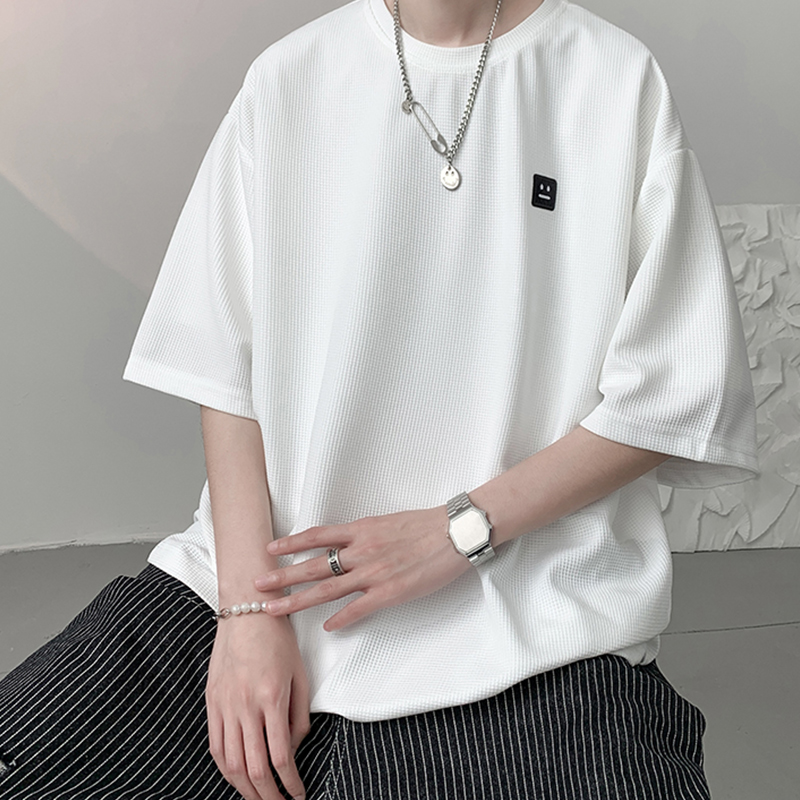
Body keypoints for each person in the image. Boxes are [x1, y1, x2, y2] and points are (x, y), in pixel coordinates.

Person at [0, 0, 760, 797]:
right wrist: (247, 614)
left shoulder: (613, 78)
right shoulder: (289, 78)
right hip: (265, 582)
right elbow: (224, 368)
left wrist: (457, 530)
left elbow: (674, 392)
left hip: (532, 617)